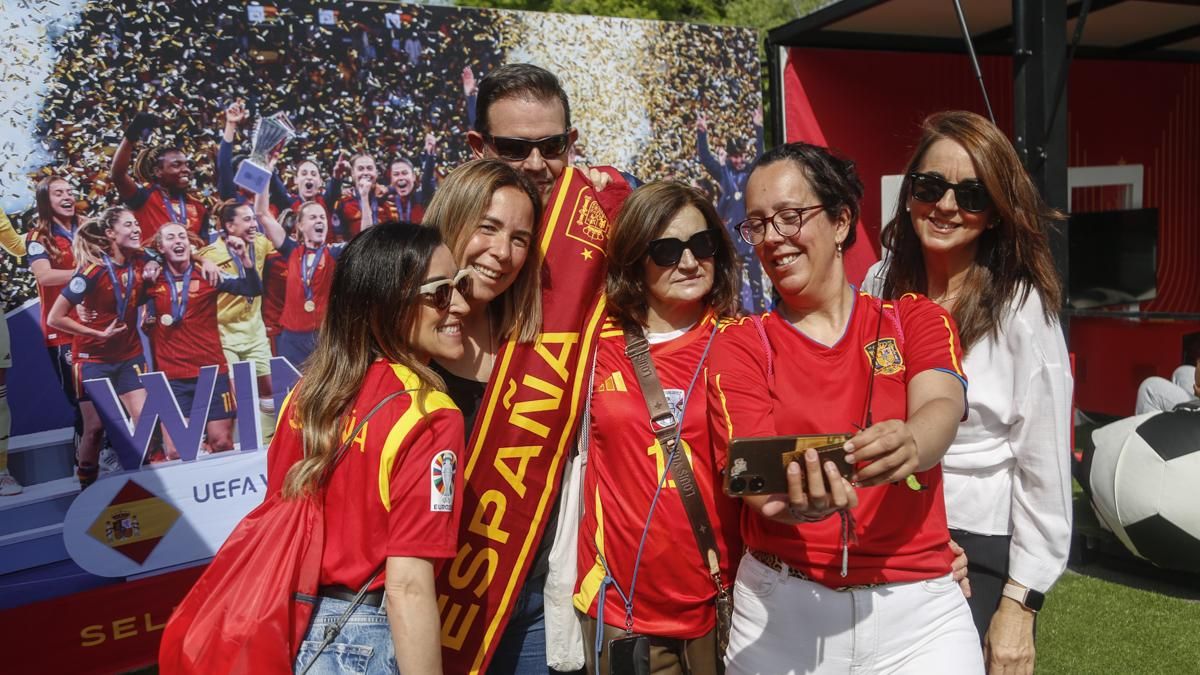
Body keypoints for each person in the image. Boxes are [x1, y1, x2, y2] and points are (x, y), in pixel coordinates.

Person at [707, 142, 982, 674]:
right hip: (782, 616)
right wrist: (795, 506)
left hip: (920, 618)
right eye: (757, 225)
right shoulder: (742, 342)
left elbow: (942, 404)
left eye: (790, 217)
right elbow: (754, 474)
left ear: (840, 222)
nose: (772, 240)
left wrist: (912, 442)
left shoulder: (914, 318)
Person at [863, 110, 1074, 674]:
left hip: (974, 544)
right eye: (930, 186)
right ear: (909, 194)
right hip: (884, 528)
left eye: (972, 194)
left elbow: (1045, 468)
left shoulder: (1021, 309)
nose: (947, 206)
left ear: (997, 212)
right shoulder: (877, 285)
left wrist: (1020, 602)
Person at [265, 222, 469, 674]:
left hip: (292, 631)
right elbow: (409, 588)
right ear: (389, 301)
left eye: (461, 284)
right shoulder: (431, 413)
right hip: (363, 640)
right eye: (440, 292)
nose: (461, 304)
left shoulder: (304, 397)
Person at [572, 182, 742, 674]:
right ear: (634, 260)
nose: (689, 262)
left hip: (719, 606)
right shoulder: (596, 343)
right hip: (621, 611)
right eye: (667, 250)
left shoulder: (743, 342)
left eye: (702, 244)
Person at [46, 207, 151, 488]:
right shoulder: (91, 272)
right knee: (94, 429)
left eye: (137, 223)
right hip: (91, 358)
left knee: (145, 421)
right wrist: (97, 333)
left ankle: (145, 486)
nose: (137, 229)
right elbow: (54, 317)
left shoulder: (142, 260)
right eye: (129, 224)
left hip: (129, 355)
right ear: (110, 233)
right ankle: (86, 489)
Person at [145, 223, 261, 458]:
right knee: (177, 451)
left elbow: (252, 288)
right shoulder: (150, 281)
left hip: (211, 372)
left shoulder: (208, 274)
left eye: (182, 237)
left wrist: (244, 259)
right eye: (170, 238)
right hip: (172, 377)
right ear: (160, 247)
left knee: (221, 442)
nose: (178, 241)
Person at [199, 199, 278, 436]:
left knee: (270, 390)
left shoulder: (262, 244)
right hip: (225, 334)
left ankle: (266, 441)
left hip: (255, 331)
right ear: (229, 226)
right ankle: (237, 442)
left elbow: (283, 242)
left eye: (254, 218)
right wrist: (200, 260)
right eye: (247, 219)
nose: (254, 224)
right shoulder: (210, 254)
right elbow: (190, 258)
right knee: (236, 394)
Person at [25, 177, 86, 471]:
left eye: (70, 192)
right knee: (81, 400)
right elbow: (45, 277)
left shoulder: (89, 227)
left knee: (107, 396)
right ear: (45, 201)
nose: (67, 197)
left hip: (95, 326)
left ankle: (108, 453)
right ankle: (84, 461)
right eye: (58, 193)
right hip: (61, 331)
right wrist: (86, 273)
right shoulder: (39, 236)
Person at [254, 182, 345, 370]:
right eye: (313, 217)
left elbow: (366, 238)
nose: (320, 221)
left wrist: (365, 197)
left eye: (322, 217)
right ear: (301, 226)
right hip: (291, 339)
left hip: (324, 336)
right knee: (293, 394)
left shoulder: (335, 253)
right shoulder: (292, 251)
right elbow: (262, 214)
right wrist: (265, 174)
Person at [696, 109, 765, 311]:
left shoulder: (752, 173)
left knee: (756, 285)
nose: (738, 160)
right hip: (732, 240)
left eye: (741, 156)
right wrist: (702, 132)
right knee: (733, 286)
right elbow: (706, 160)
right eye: (734, 157)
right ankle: (735, 318)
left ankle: (761, 318)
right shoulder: (723, 172)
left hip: (750, 237)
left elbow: (762, 155)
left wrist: (759, 128)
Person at [110, 113, 210, 243]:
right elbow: (118, 175)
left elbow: (204, 247)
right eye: (176, 165)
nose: (186, 169)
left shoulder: (198, 207)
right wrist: (132, 134)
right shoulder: (144, 197)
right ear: (158, 172)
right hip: (150, 263)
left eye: (187, 164)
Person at [332, 152, 396, 240]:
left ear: (376, 173)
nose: (365, 173)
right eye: (360, 169)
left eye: (369, 168)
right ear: (352, 173)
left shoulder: (388, 199)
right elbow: (339, 239)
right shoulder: (342, 203)